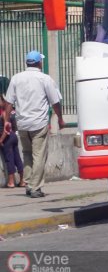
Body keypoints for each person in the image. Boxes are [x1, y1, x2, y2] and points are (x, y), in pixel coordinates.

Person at [3, 51, 64, 198]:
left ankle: (29, 184)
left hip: (22, 123)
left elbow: (9, 102)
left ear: (27, 63)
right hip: (39, 123)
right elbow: (55, 102)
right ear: (39, 63)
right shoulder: (45, 79)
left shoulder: (16, 78)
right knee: (39, 156)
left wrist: (6, 121)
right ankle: (35, 188)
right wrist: (60, 119)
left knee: (27, 154)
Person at [0, 94, 25, 188]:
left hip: (7, 138)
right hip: (13, 136)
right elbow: (13, 127)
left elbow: (6, 129)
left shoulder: (4, 113)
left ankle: (11, 182)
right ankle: (22, 181)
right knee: (17, 158)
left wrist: (1, 140)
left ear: (3, 101)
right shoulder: (11, 112)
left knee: (9, 159)